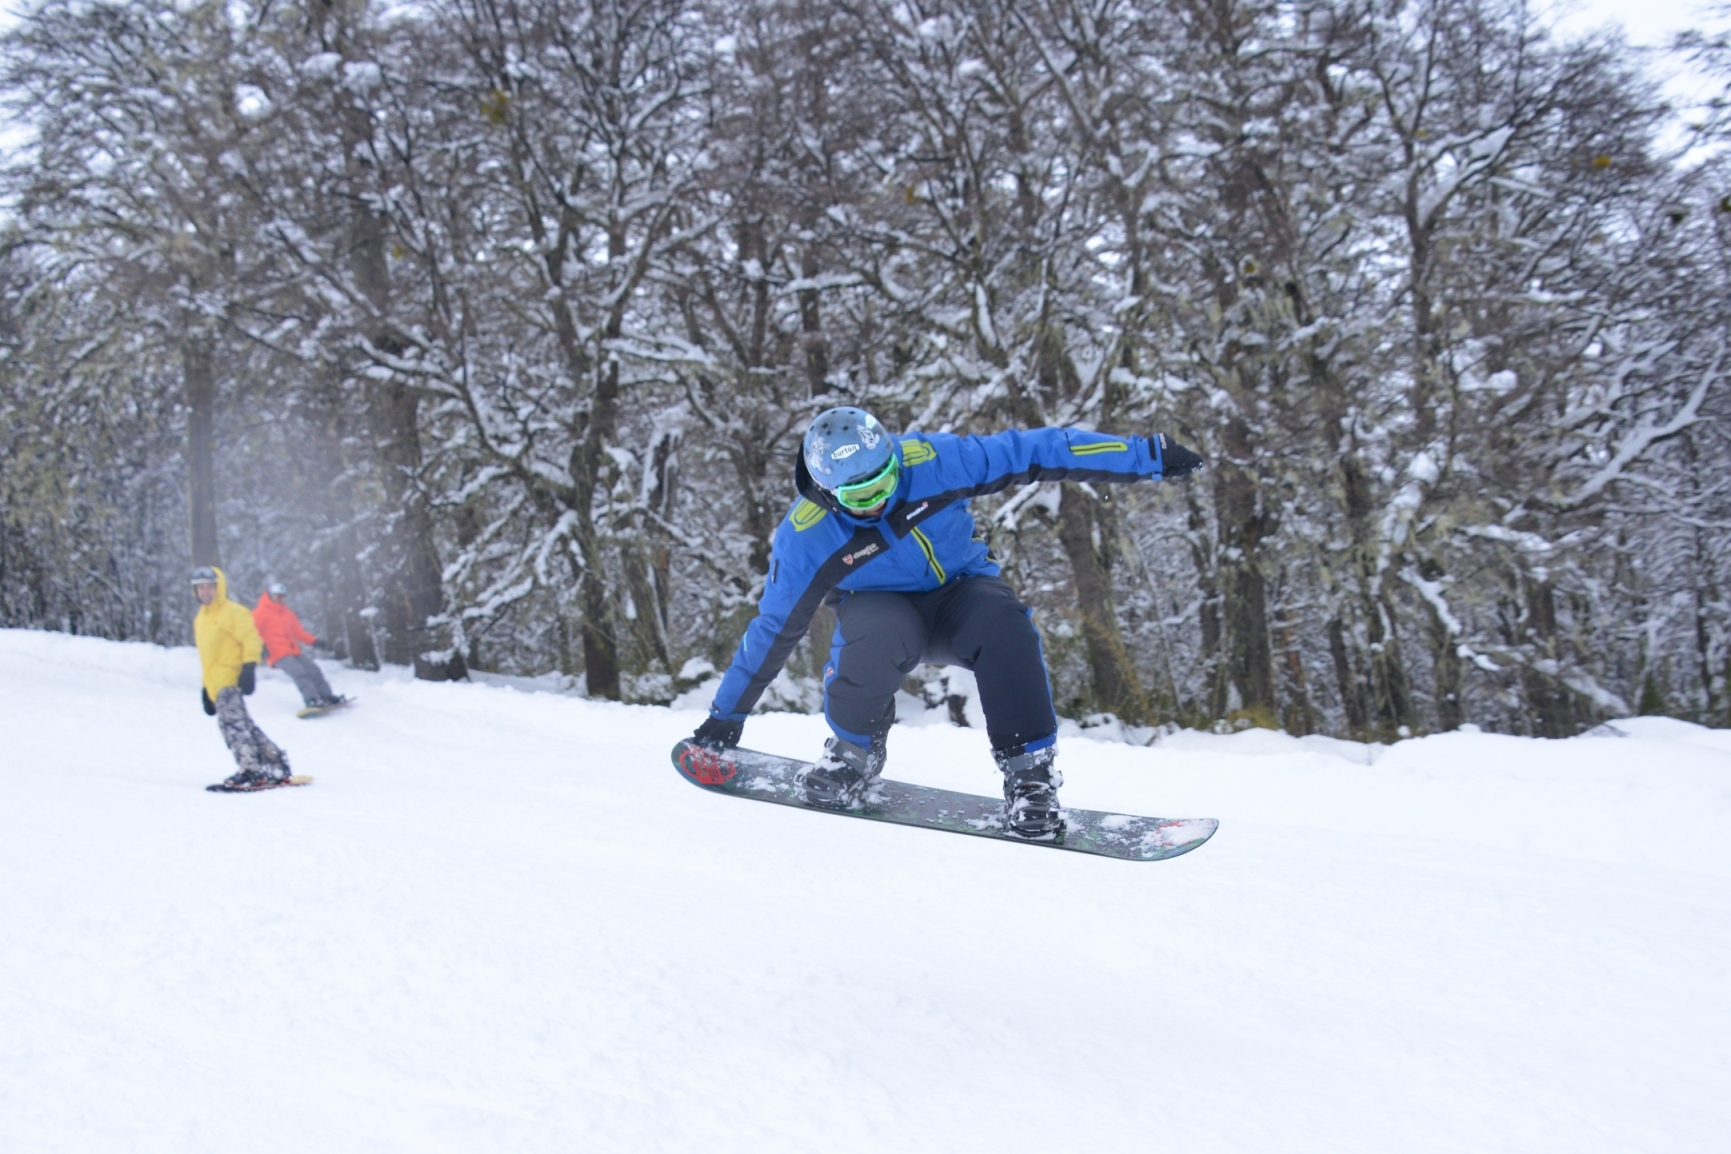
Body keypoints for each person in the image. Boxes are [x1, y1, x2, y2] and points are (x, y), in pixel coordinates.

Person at [690, 406, 1204, 838]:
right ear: (826, 494)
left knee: (1006, 626)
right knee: (872, 630)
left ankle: (1030, 779)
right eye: (856, 497)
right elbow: (774, 629)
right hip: (883, 613)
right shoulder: (806, 538)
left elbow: (1040, 450)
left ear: (894, 460)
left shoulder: (935, 463)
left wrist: (1146, 457)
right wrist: (725, 716)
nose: (876, 502)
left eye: (883, 482)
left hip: (963, 597)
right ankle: (852, 756)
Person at [193, 566, 293, 790]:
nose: (205, 592)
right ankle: (275, 763)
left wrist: (249, 668)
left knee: (232, 725)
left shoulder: (233, 612)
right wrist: (205, 689)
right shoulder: (201, 619)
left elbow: (252, 640)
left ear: (219, 589)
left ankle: (251, 769)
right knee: (245, 724)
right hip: (216, 682)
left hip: (231, 677)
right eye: (201, 588)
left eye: (210, 587)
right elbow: (207, 658)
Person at [253, 581, 343, 709]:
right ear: (270, 596)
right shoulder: (260, 612)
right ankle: (311, 700)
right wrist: (260, 647)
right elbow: (251, 631)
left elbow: (299, 633)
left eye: (283, 597)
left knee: (314, 670)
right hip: (276, 652)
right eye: (277, 597)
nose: (280, 600)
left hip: (293, 650)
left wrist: (315, 642)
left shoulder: (288, 614)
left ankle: (326, 696)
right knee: (300, 673)